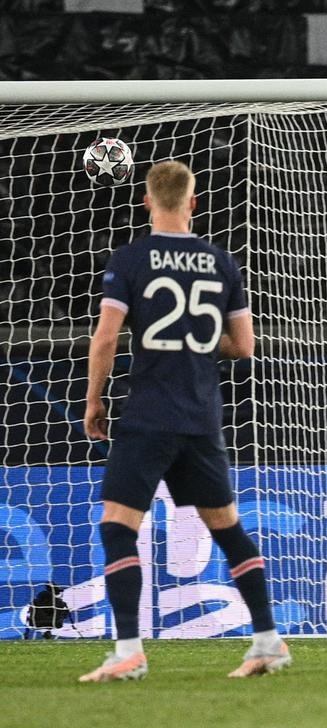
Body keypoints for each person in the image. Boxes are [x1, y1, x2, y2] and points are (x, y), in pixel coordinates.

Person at [81, 160, 289, 681]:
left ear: (147, 201)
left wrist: (93, 400)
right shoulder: (221, 262)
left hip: (150, 414)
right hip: (201, 416)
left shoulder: (131, 259)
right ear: (193, 202)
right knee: (228, 529)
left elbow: (106, 337)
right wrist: (195, 343)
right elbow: (244, 346)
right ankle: (268, 641)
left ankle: (128, 650)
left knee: (117, 526)